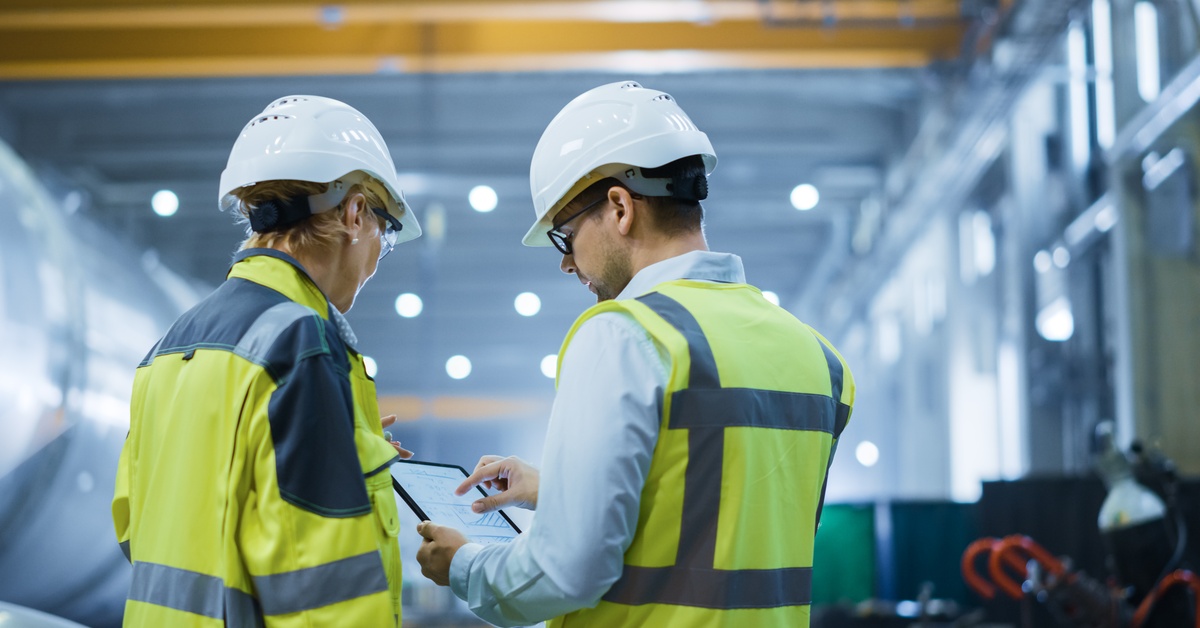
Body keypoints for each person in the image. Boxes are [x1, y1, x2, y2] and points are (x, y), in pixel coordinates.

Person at [416, 81, 855, 627]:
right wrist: (561, 491)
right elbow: (721, 521)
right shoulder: (818, 358)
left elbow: (565, 574)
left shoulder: (625, 333)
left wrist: (464, 565)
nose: (566, 263)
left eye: (565, 236)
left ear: (620, 208)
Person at [112, 95, 420, 626]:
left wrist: (347, 446)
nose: (376, 261)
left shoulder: (168, 348)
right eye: (384, 236)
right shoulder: (300, 345)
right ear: (355, 214)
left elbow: (133, 523)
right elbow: (326, 591)